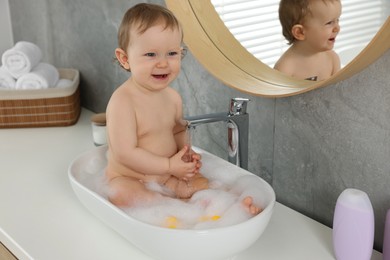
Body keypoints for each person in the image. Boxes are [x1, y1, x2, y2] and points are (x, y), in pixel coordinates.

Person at [105, 3, 261, 216]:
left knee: (201, 183)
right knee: (120, 193)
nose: (163, 63)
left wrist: (185, 155)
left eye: (171, 53)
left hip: (168, 175)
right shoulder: (122, 101)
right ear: (125, 59)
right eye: (151, 54)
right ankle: (171, 210)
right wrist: (169, 165)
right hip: (130, 177)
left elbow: (178, 131)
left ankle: (232, 205)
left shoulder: (173, 98)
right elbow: (125, 154)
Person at [274, 0, 342, 81]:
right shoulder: (285, 68)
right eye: (329, 23)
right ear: (300, 32)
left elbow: (338, 90)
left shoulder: (332, 59)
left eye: (337, 20)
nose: (337, 28)